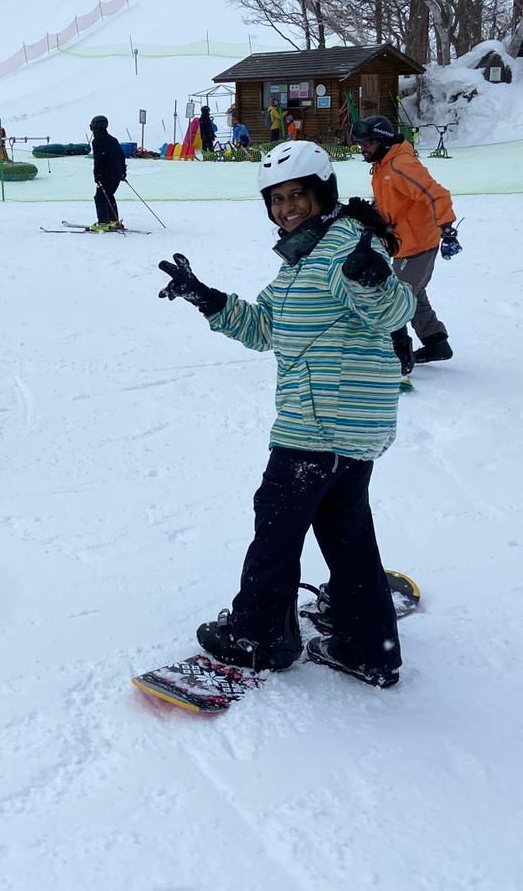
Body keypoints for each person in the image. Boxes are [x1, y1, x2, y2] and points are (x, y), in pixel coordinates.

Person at [155, 140, 415, 685]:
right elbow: (265, 328)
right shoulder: (302, 260)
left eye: (297, 195)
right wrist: (206, 298)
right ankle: (368, 644)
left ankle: (260, 635)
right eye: (276, 199)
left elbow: (393, 311)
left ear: (323, 192)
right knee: (344, 530)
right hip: (342, 426)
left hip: (321, 424)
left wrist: (374, 279)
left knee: (276, 526)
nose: (286, 207)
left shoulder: (345, 248)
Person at [354, 115, 459, 371]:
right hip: (403, 244)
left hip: (418, 245)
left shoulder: (400, 164)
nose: (363, 148)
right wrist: (371, 216)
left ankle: (398, 358)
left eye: (368, 143)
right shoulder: (382, 166)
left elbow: (436, 194)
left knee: (393, 300)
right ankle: (436, 342)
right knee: (413, 293)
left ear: (382, 141)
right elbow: (393, 202)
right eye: (360, 144)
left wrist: (447, 229)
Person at [89, 114, 126, 231]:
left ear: (96, 127)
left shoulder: (97, 141)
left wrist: (97, 175)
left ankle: (103, 222)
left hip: (106, 175)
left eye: (92, 127)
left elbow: (99, 160)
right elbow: (121, 156)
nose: (92, 130)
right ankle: (113, 220)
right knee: (108, 195)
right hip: (117, 174)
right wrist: (123, 172)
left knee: (100, 196)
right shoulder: (113, 140)